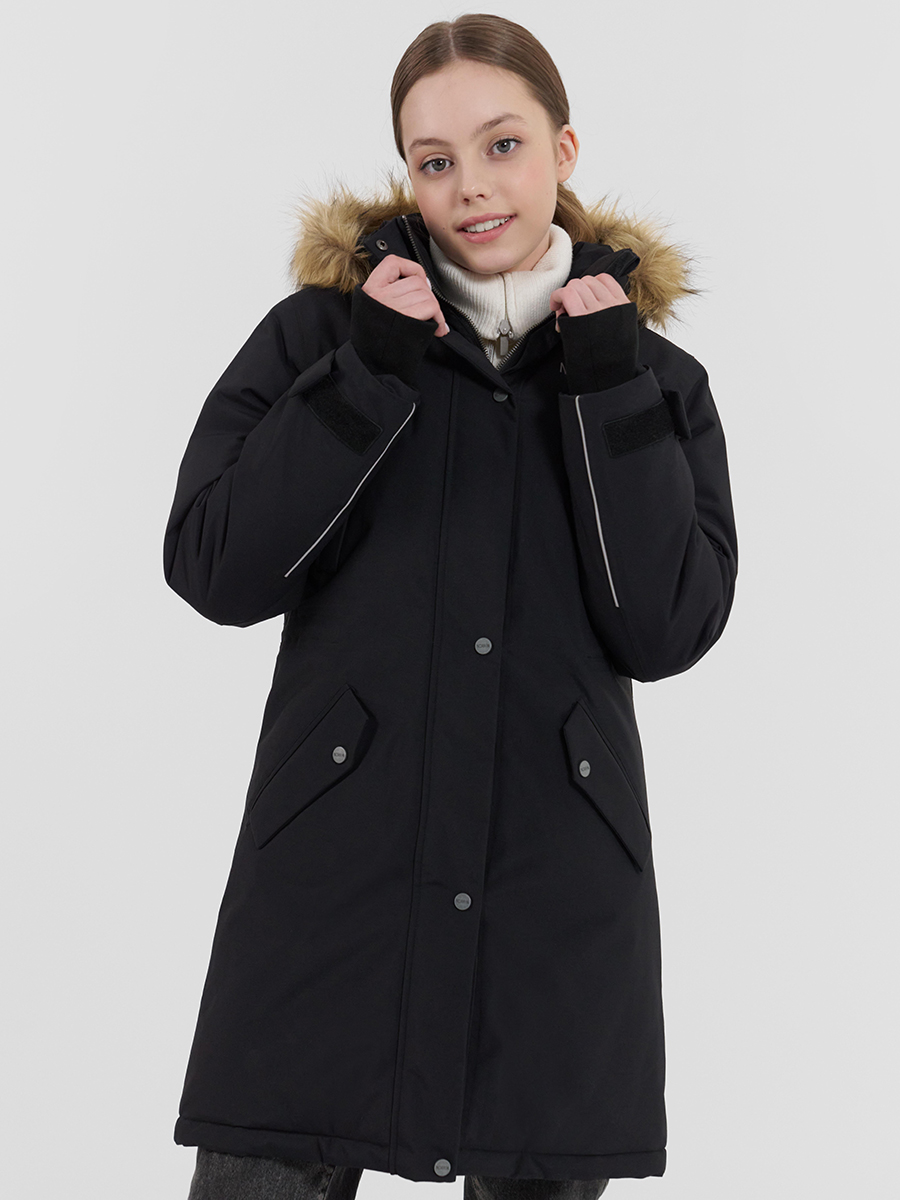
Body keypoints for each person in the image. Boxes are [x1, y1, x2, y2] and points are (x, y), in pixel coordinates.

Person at [164, 13, 738, 1200]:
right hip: (332, 897)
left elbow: (669, 627)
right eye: (435, 159)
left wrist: (607, 387)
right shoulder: (322, 339)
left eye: (502, 144)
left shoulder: (651, 381)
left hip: (551, 914)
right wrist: (368, 375)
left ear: (564, 150)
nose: (471, 185)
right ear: (407, 174)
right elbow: (215, 567)